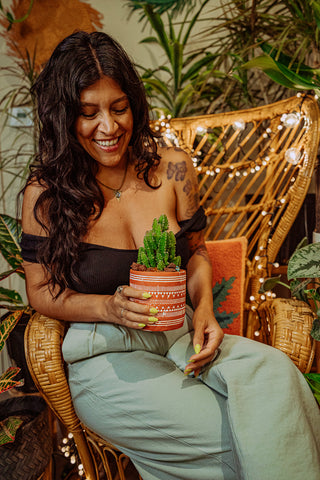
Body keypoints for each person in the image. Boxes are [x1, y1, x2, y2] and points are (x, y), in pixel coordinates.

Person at [20, 31, 320, 480]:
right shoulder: (45, 195)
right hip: (103, 357)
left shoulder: (174, 167)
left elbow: (196, 253)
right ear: (65, 118)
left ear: (134, 106)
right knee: (245, 438)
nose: (108, 127)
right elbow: (40, 292)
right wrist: (108, 307)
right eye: (88, 113)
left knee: (276, 381)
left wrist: (203, 310)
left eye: (118, 108)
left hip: (181, 339)